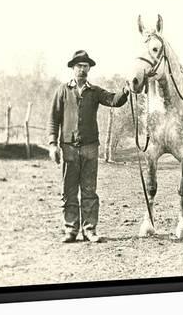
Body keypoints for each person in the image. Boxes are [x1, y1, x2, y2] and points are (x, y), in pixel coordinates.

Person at [47, 50, 130, 243]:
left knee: (89, 191)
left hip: (90, 148)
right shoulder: (62, 91)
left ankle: (90, 229)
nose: (82, 69)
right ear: (73, 68)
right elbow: (53, 119)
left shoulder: (95, 91)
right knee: (68, 191)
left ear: (89, 69)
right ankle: (70, 229)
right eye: (78, 66)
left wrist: (126, 91)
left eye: (85, 66)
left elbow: (113, 100)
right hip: (68, 148)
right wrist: (52, 144)